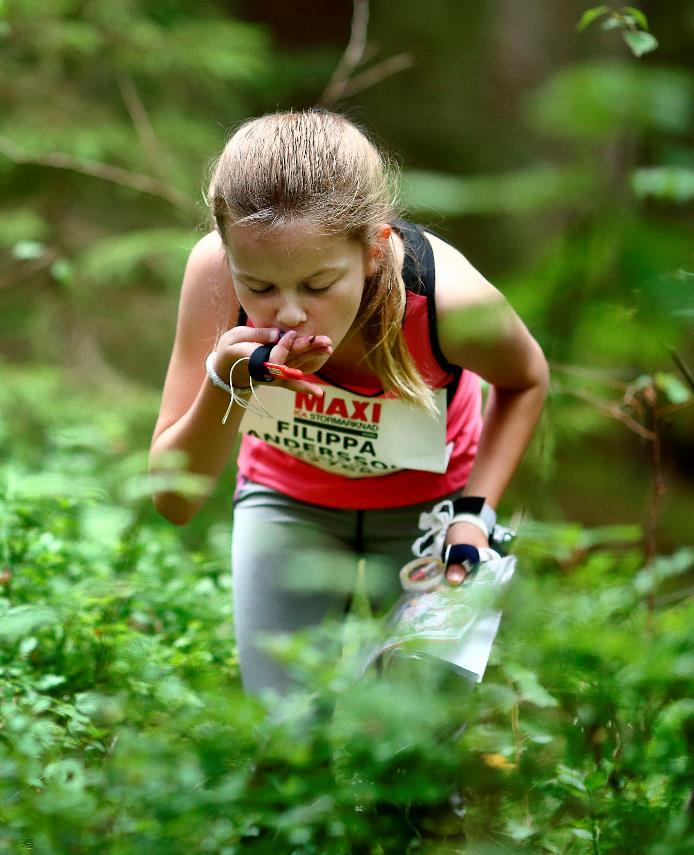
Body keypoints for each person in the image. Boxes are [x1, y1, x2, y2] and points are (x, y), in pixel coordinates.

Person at [149, 109, 549, 697]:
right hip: (288, 497)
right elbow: (173, 501)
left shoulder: (447, 298)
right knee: (284, 735)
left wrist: (476, 513)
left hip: (429, 505)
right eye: (258, 286)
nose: (287, 312)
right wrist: (226, 382)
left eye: (317, 285)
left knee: (416, 747)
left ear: (372, 250)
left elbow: (527, 379)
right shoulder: (212, 272)